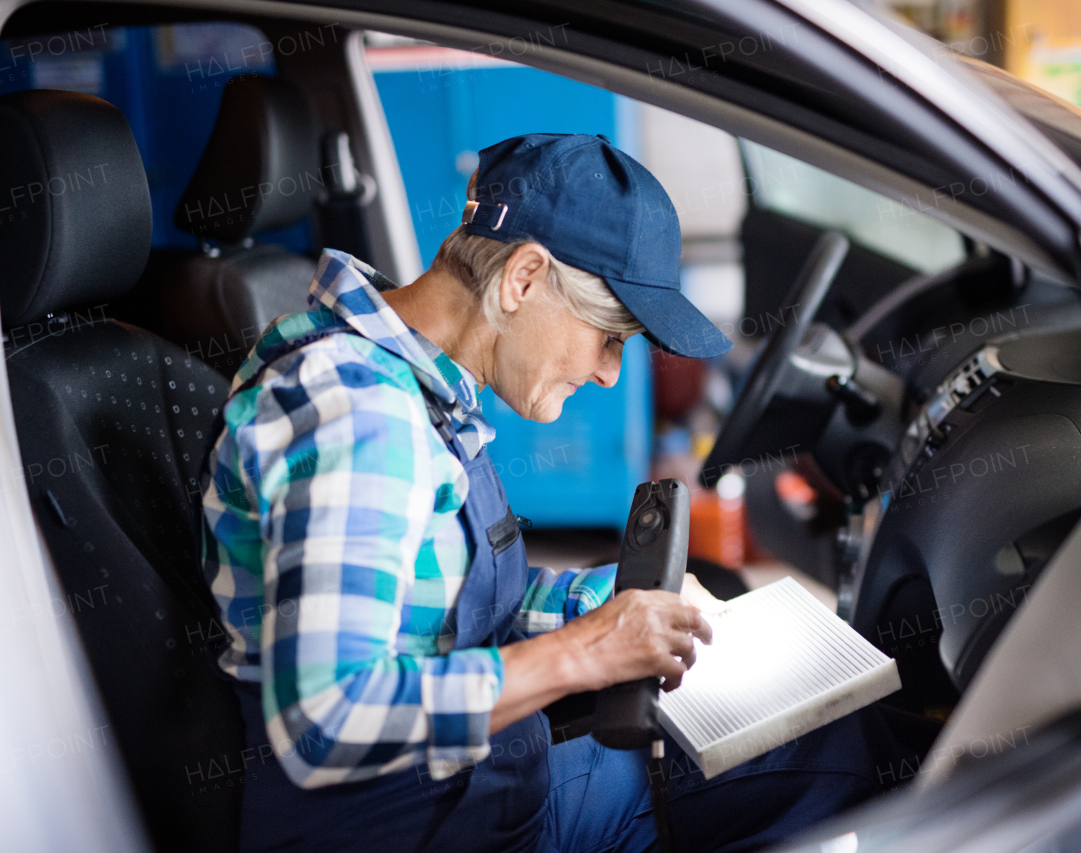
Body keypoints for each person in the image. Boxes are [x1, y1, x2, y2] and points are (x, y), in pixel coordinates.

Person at [200, 133, 890, 853]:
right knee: (837, 757)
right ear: (523, 277)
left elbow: (438, 601)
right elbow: (327, 718)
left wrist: (597, 603)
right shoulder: (361, 414)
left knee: (827, 731)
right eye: (610, 337)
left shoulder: (404, 380)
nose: (609, 374)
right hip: (415, 827)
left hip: (486, 790)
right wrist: (582, 652)